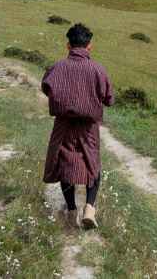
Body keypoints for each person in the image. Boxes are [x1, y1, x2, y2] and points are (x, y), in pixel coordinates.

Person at [41, 23, 114, 230]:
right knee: (93, 165)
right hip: (88, 127)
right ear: (89, 46)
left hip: (63, 124)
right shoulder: (98, 69)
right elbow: (109, 99)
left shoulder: (57, 68)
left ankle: (72, 210)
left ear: (68, 45)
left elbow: (46, 88)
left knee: (65, 165)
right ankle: (89, 208)